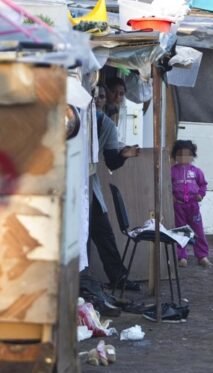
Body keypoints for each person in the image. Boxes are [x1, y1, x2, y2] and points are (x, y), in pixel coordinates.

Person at [89, 86, 142, 290]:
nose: (98, 100)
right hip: (76, 185)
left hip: (81, 184)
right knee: (101, 234)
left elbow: (111, 161)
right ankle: (116, 277)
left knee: (101, 233)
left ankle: (117, 277)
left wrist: (123, 155)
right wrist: (122, 156)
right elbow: (112, 161)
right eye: (96, 96)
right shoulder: (102, 123)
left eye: (101, 96)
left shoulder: (104, 124)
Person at [171, 140, 212, 268]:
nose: (183, 157)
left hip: (193, 206)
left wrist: (201, 194)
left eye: (187, 154)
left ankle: (202, 256)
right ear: (175, 155)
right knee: (180, 231)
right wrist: (171, 196)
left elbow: (203, 184)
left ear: (193, 155)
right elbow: (167, 186)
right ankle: (181, 257)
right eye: (180, 154)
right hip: (178, 206)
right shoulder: (171, 171)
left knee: (198, 231)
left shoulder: (196, 171)